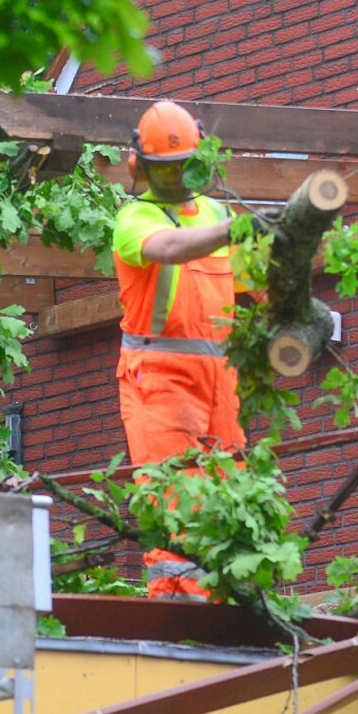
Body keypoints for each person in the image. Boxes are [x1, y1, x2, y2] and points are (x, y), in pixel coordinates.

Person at [111, 99, 244, 599]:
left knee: (230, 496)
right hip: (161, 379)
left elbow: (252, 280)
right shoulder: (135, 218)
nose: (174, 179)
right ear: (140, 168)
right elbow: (167, 248)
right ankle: (176, 614)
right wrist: (235, 230)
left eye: (180, 167)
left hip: (220, 381)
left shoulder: (215, 214)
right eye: (164, 169)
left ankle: (232, 601)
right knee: (173, 504)